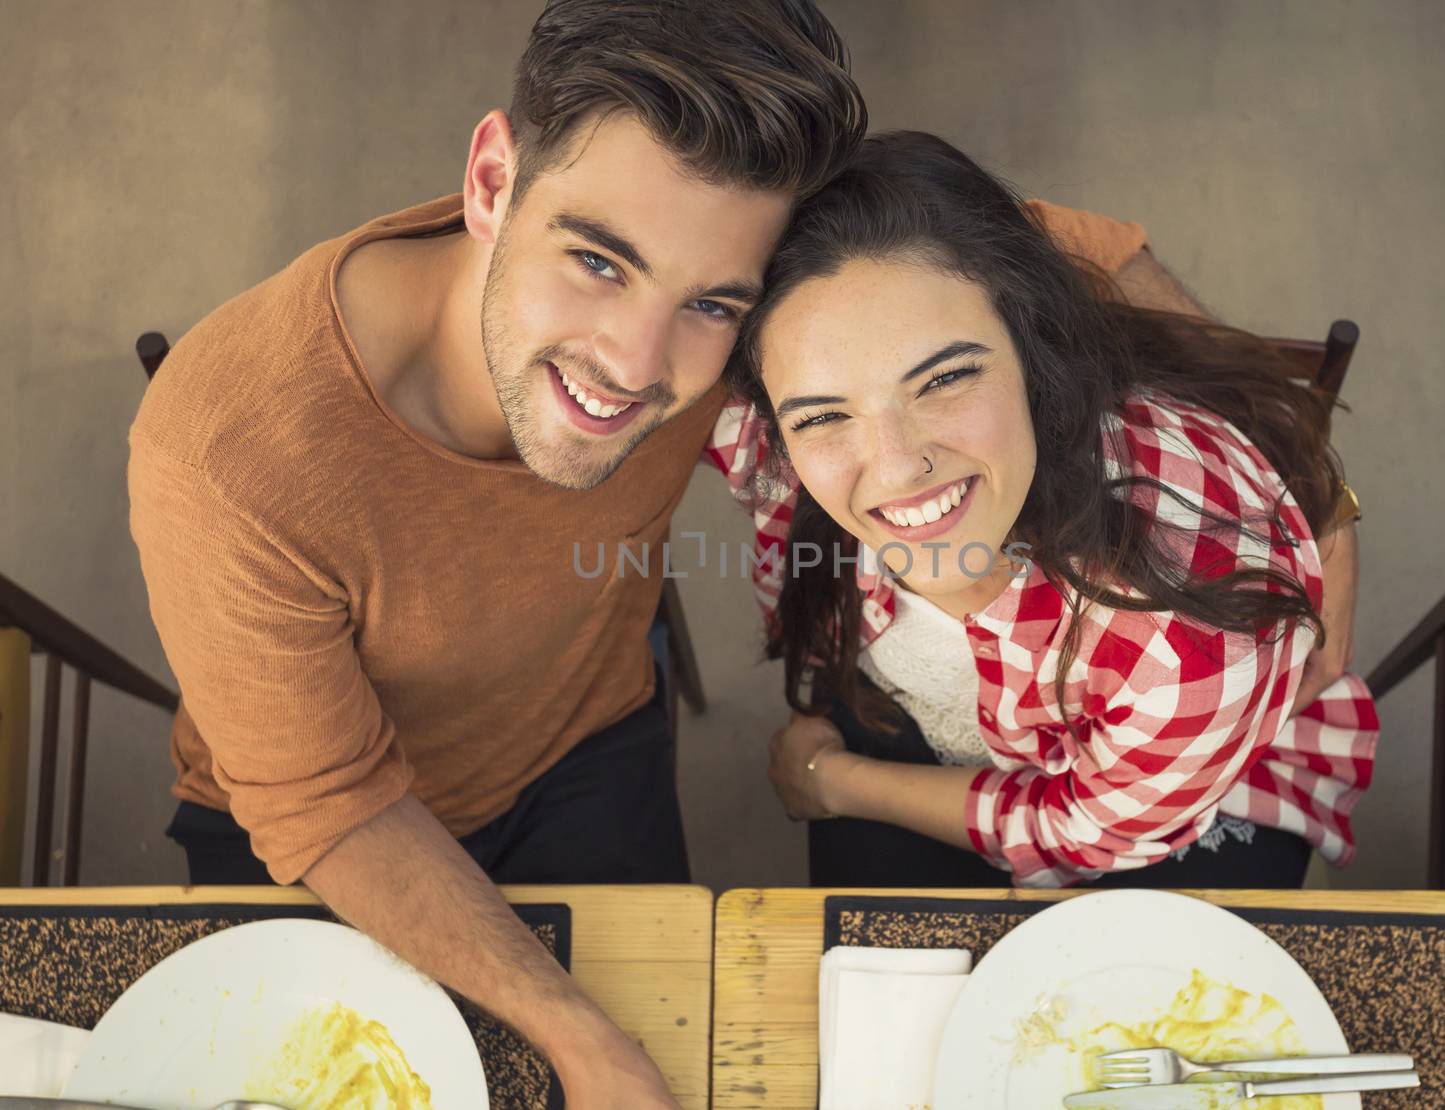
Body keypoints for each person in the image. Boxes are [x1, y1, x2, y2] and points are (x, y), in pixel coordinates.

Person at [127, 1, 1350, 1103]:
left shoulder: (747, 341)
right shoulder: (222, 451)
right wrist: (577, 1036)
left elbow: (1018, 246)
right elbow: (327, 802)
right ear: (493, 179)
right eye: (597, 259)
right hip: (307, 821)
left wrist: (1307, 487)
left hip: (592, 751)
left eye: (715, 300)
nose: (638, 367)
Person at [723, 131, 1378, 890]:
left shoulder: (1194, 629)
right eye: (821, 417)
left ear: (1036, 345)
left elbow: (1085, 830)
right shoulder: (758, 422)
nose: (898, 469)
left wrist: (834, 783)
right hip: (897, 708)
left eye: (944, 379)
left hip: (1177, 788)